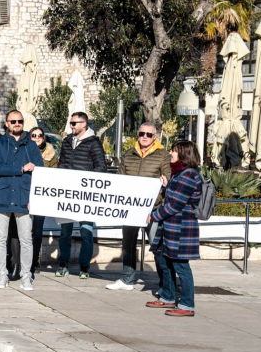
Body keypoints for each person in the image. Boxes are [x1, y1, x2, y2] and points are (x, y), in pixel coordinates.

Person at [108, 123, 172, 291]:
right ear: (137, 134)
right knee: (127, 244)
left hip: (154, 209)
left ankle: (166, 283)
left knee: (157, 247)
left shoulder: (163, 155)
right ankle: (127, 280)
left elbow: (168, 178)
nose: (144, 136)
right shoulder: (129, 154)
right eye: (142, 133)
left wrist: (164, 185)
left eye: (149, 134)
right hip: (131, 209)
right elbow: (120, 178)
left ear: (155, 137)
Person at [146, 141, 201, 317]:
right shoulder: (179, 174)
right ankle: (168, 297)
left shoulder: (188, 176)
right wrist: (166, 185)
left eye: (174, 151)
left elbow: (175, 205)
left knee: (181, 266)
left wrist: (154, 216)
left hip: (181, 228)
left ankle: (187, 305)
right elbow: (173, 197)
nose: (171, 153)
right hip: (170, 227)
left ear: (184, 154)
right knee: (165, 263)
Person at [0, 111, 43, 291]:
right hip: (3, 197)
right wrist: (21, 168)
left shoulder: (31, 145)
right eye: (13, 121)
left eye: (20, 121)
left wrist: (35, 198)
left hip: (24, 197)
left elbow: (40, 171)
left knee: (26, 239)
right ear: (6, 123)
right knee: (0, 239)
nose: (17, 124)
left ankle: (26, 276)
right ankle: (2, 274)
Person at [56, 112, 106, 278]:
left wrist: (84, 181)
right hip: (67, 194)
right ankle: (63, 264)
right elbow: (62, 164)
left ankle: (84, 266)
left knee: (86, 232)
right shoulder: (67, 141)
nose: (71, 126)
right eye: (70, 123)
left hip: (85, 195)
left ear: (84, 124)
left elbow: (101, 167)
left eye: (74, 123)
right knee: (65, 232)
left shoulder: (94, 143)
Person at [25, 127, 58, 278]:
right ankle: (22, 259)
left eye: (40, 135)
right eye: (34, 135)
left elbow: (55, 175)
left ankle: (34, 260)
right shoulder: (23, 151)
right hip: (24, 194)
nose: (37, 137)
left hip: (41, 196)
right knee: (22, 230)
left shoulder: (51, 155)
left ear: (44, 137)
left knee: (37, 231)